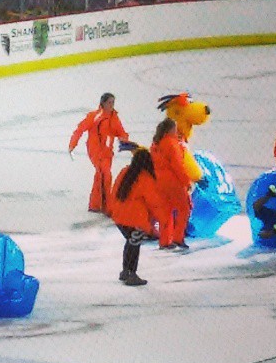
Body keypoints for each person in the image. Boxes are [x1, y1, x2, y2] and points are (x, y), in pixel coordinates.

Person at [110, 148, 165, 286]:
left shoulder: (125, 172)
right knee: (134, 245)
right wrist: (162, 220)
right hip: (136, 220)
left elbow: (114, 191)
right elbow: (154, 203)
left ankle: (125, 271)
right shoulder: (146, 178)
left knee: (130, 242)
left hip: (119, 217)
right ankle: (132, 274)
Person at [69, 93, 129, 215]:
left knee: (100, 175)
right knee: (105, 175)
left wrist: (124, 140)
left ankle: (95, 204)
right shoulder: (94, 116)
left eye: (113, 102)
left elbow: (121, 132)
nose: (111, 105)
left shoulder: (114, 117)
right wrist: (73, 143)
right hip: (95, 151)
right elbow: (80, 129)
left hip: (107, 153)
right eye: (109, 102)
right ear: (103, 103)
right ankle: (107, 207)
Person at [150, 118, 193, 250]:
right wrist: (186, 181)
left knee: (165, 211)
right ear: (171, 129)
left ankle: (165, 241)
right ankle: (178, 237)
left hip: (159, 181)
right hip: (173, 181)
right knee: (184, 208)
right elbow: (177, 165)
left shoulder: (155, 145)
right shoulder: (172, 143)